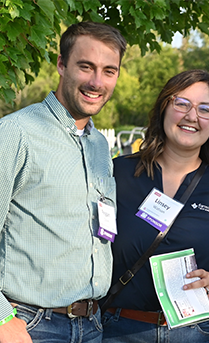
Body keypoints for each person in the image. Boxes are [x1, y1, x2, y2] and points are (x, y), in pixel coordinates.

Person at [101, 69, 209, 342]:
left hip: (198, 333)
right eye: (182, 103)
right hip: (121, 330)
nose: (192, 116)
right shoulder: (119, 174)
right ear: (164, 107)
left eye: (205, 109)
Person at [0, 22, 126, 343]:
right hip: (30, 325)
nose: (97, 82)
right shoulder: (17, 132)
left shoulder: (100, 145)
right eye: (86, 67)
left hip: (91, 325)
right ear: (61, 65)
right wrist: (3, 320)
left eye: (109, 71)